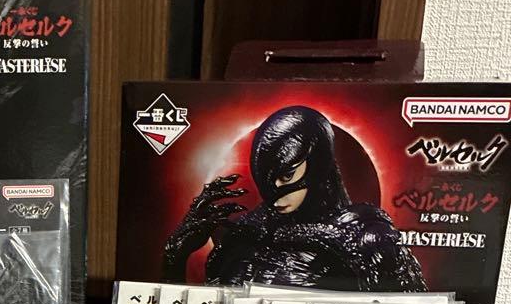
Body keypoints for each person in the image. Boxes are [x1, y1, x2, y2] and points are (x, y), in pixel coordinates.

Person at [163, 105, 427, 292]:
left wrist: (346, 247)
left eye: (287, 176)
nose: (274, 192)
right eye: (266, 179)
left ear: (318, 163)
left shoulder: (364, 237)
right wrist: (175, 256)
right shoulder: (245, 233)